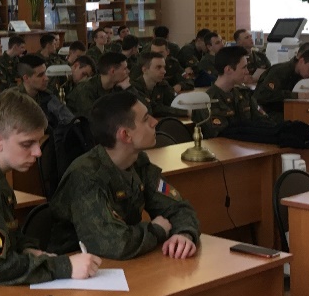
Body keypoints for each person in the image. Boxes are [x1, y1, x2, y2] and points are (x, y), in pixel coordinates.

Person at [0, 90, 102, 283]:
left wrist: (28, 249)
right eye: (27, 144)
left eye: (38, 142)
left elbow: (7, 234)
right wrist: (65, 266)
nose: (38, 152)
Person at [49, 92, 200, 260]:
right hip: (74, 264)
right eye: (145, 119)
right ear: (125, 135)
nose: (154, 122)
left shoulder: (138, 162)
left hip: (116, 263)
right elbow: (112, 243)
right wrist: (156, 230)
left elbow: (178, 207)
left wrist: (184, 234)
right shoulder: (86, 177)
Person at [200, 46, 271, 138]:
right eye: (244, 68)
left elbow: (264, 121)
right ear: (228, 70)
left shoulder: (244, 93)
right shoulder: (208, 101)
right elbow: (221, 135)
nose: (247, 72)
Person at [255, 48, 309, 119]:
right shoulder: (279, 71)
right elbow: (263, 95)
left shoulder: (305, 75)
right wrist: (295, 95)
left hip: (292, 111)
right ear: (301, 61)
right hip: (270, 114)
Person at [66, 51, 130, 117]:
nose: (128, 71)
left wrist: (129, 88)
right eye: (125, 69)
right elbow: (94, 118)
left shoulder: (118, 86)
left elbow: (134, 110)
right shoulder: (85, 90)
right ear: (113, 71)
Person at [130, 52, 187, 118]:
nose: (164, 71)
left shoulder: (163, 84)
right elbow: (153, 109)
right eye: (158, 67)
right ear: (145, 70)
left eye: (164, 67)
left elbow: (175, 102)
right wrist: (186, 112)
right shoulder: (134, 88)